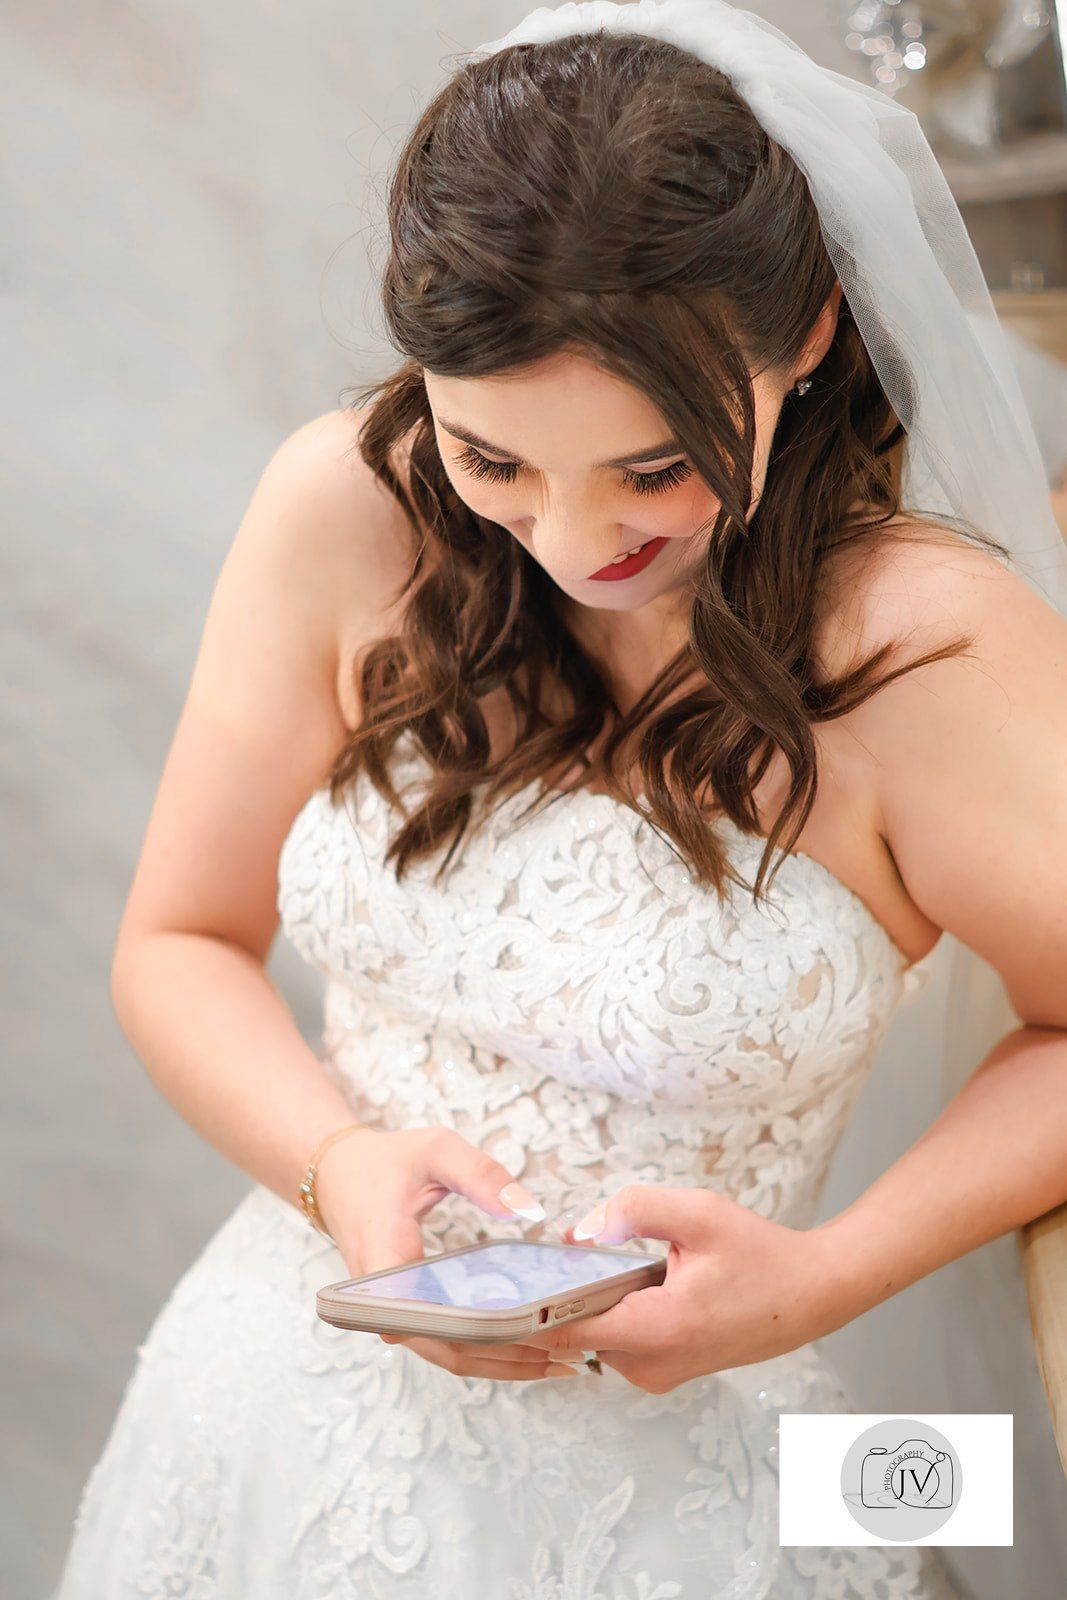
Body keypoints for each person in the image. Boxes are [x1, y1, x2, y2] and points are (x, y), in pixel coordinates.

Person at [48, 3, 1067, 1596]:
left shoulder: (927, 651)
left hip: (702, 1480)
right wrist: (335, 1165)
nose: (578, 543)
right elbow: (175, 940)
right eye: (494, 461)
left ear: (806, 338)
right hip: (266, 1422)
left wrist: (819, 1280)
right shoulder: (343, 508)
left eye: (654, 469)